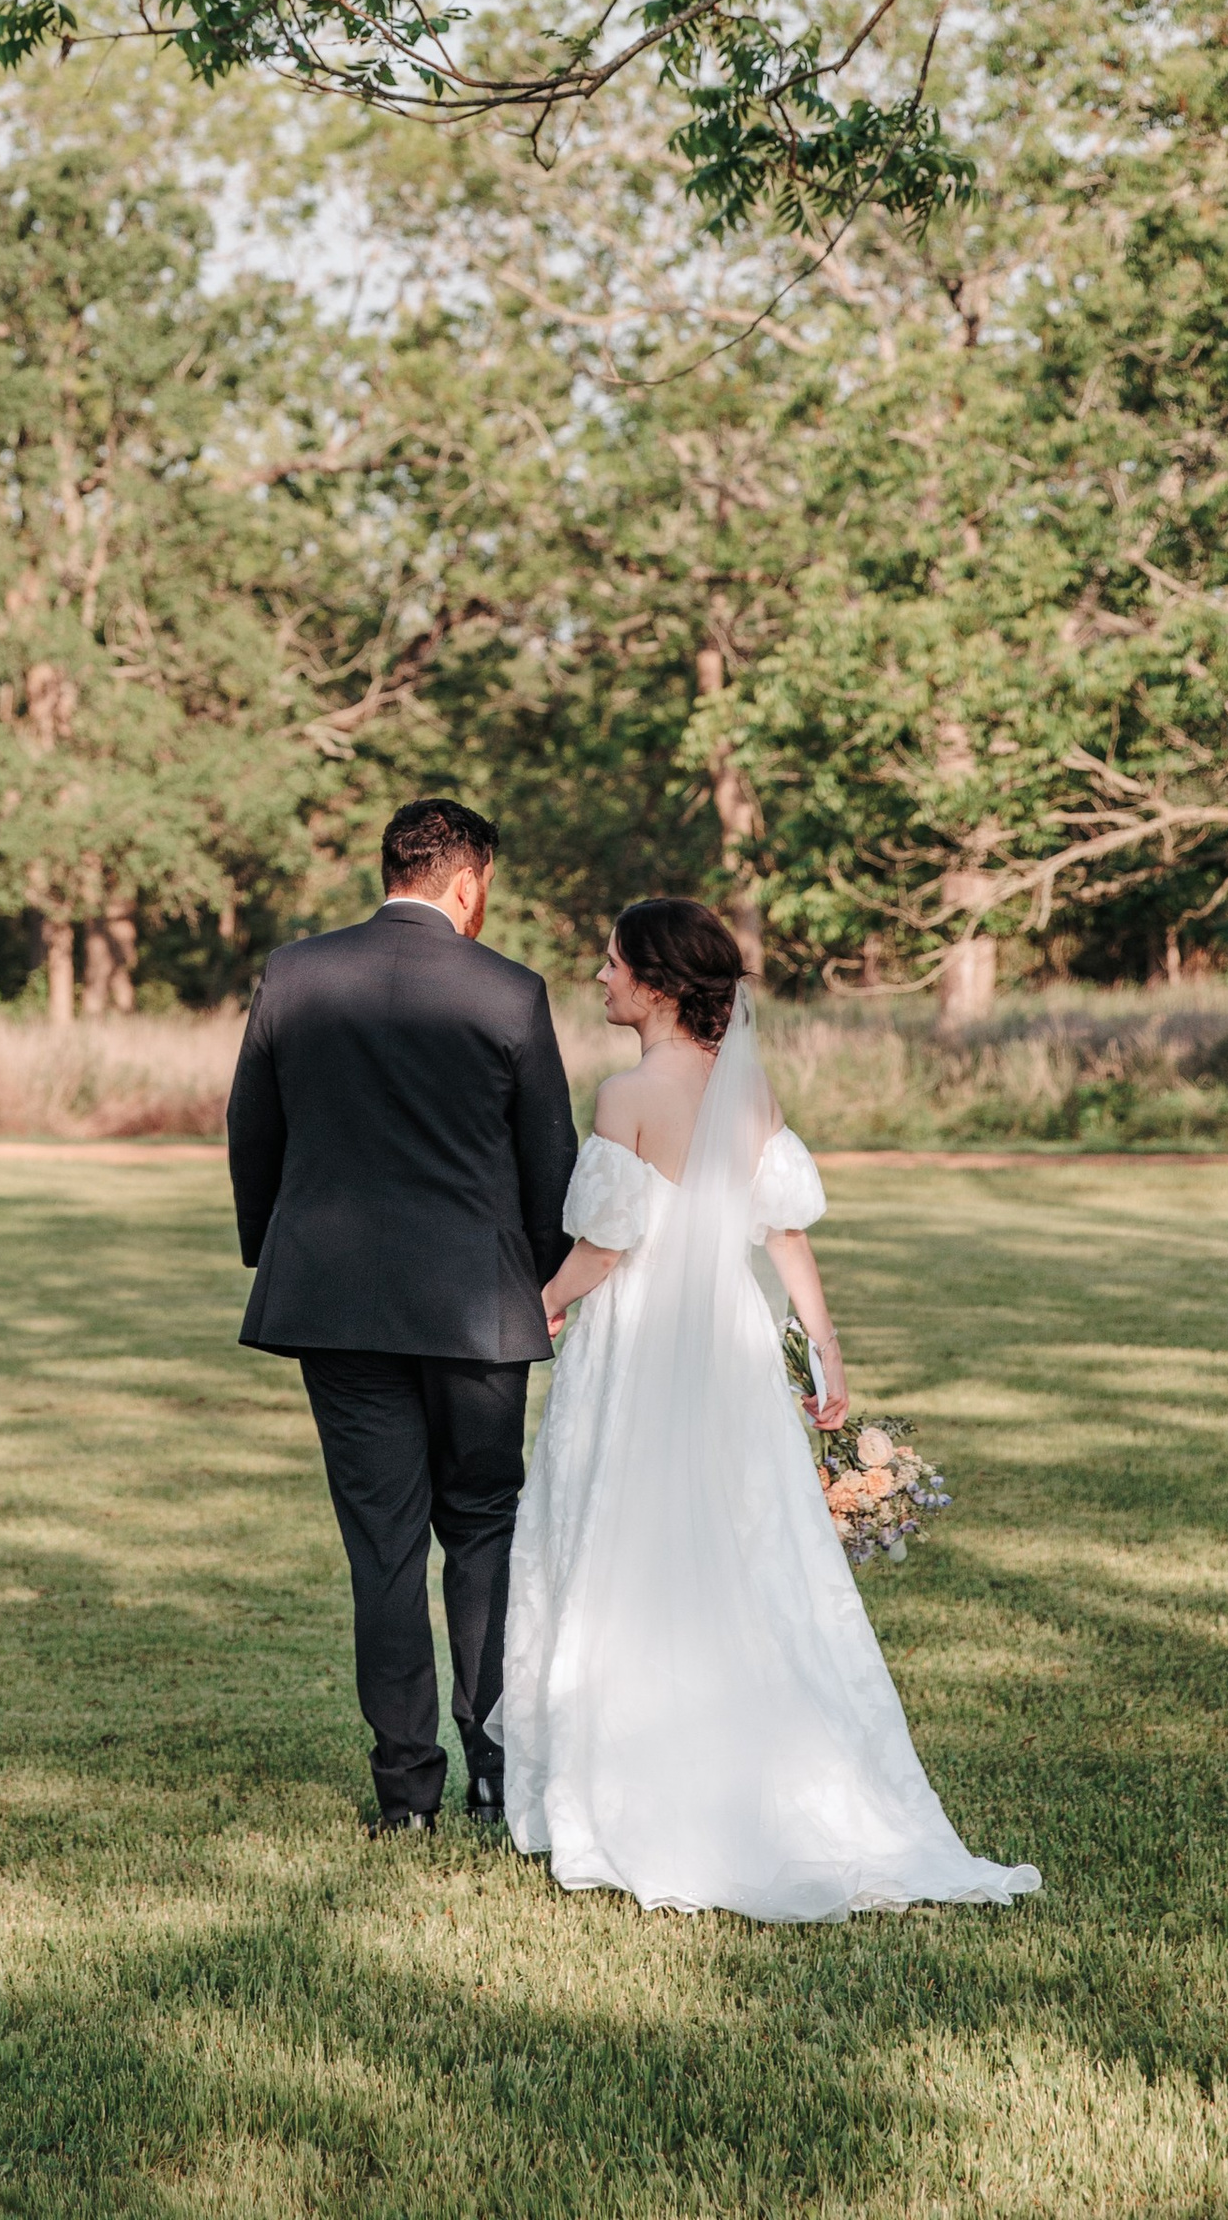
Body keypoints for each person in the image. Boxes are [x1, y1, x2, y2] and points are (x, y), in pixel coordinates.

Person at [495, 895, 1040, 1920]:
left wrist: (538, 1305)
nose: (600, 977)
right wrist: (824, 1351)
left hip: (637, 1345)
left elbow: (605, 1249)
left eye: (612, 963)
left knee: (624, 1540)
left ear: (658, 984)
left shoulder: (624, 1097)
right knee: (746, 1543)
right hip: (731, 1348)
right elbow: (785, 1236)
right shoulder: (750, 1093)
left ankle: (630, 1788)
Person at [226, 797, 578, 1833]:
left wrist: (274, 1249)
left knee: (381, 1547)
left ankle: (406, 1795)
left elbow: (252, 1128)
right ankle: (494, 1771)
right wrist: (549, 1282)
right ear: (466, 883)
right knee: (482, 1526)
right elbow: (546, 1154)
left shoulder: (295, 973)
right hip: (479, 1307)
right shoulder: (508, 990)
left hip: (334, 1300)